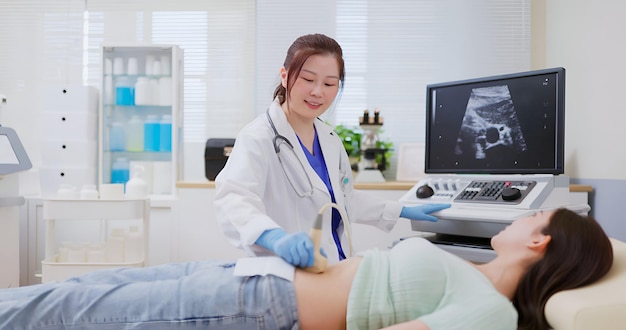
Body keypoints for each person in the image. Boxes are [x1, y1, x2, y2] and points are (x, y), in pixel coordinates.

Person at [0, 208, 613, 330]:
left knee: (71, 312)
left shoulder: (489, 315)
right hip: (251, 276)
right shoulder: (471, 276)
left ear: (541, 243)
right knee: (79, 288)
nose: (519, 216)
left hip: (262, 307)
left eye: (535, 216)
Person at [214, 33, 450, 267]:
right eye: (308, 79)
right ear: (285, 77)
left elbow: (343, 198)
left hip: (336, 264)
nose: (318, 92)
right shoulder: (258, 137)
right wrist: (273, 237)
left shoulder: (329, 139)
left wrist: (401, 210)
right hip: (285, 272)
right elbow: (234, 199)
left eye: (329, 83)